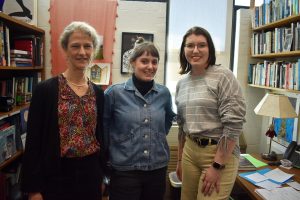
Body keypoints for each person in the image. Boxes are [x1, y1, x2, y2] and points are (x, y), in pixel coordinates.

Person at [21, 21, 104, 200]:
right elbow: (33, 141)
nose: (82, 52)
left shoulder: (98, 93)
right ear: (65, 50)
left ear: (93, 50)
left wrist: (102, 176)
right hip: (56, 176)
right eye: (75, 46)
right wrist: (34, 189)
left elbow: (100, 136)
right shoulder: (45, 90)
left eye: (87, 46)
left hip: (91, 175)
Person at [175, 26, 246, 200]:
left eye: (202, 45)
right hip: (190, 152)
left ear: (210, 49)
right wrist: (179, 161)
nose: (195, 50)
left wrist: (217, 165)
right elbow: (182, 127)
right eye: (190, 45)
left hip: (217, 152)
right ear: (184, 49)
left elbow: (234, 125)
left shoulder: (224, 76)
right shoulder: (182, 83)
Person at [104, 42, 176, 200]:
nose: (150, 66)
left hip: (157, 169)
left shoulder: (164, 93)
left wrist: (155, 135)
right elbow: (104, 129)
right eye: (144, 61)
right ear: (132, 63)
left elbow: (167, 120)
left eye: (154, 61)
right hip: (124, 171)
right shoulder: (114, 93)